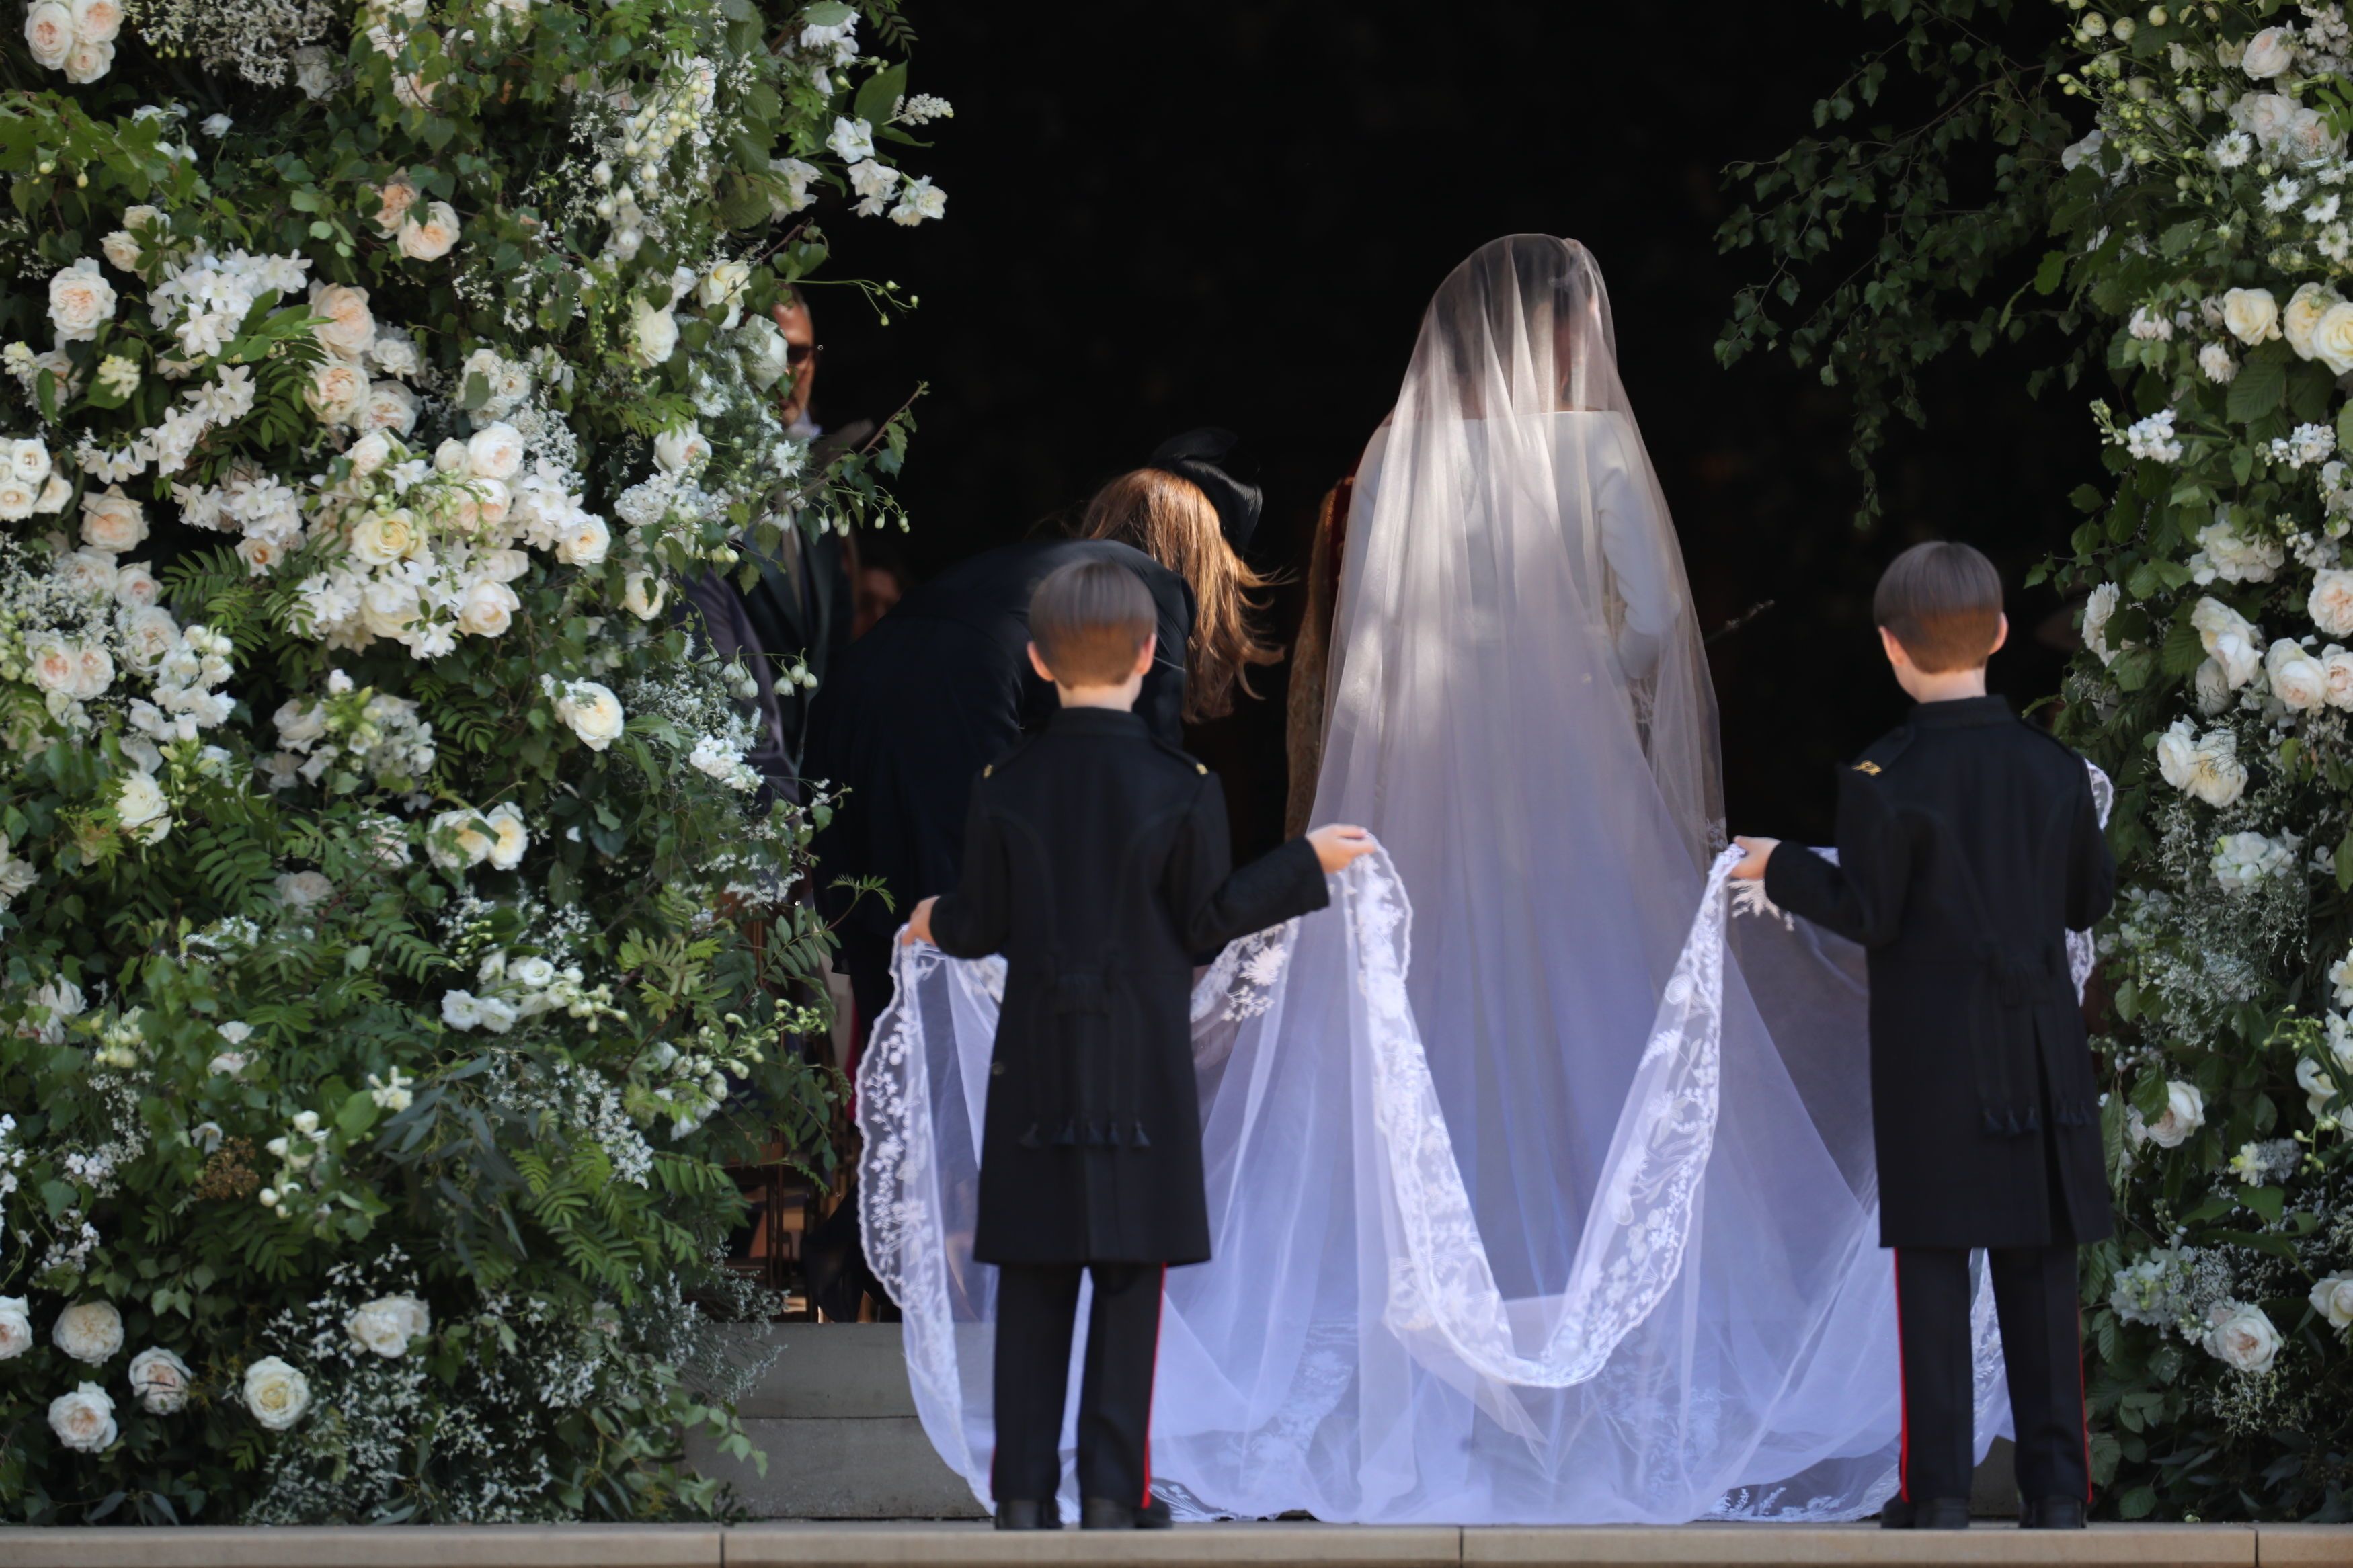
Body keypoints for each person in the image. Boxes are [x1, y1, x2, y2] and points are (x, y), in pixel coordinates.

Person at [867, 237, 1966, 1525]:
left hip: (1422, 781)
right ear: (1567, 334)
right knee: (1604, 1035)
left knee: (1412, 1038)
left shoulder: (1396, 450)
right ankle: (1598, 1335)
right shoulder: (1596, 447)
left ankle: (1396, 1342)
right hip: (1569, 788)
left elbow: (1374, 637)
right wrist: (1590, 685)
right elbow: (1658, 631)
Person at [902, 559, 1373, 1530]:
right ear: (1152, 653)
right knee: (1127, 1285)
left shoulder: (1005, 781)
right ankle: (1115, 1490)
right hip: (1140, 1075)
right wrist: (1305, 864)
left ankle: (1025, 1493)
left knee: (1032, 1282)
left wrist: (929, 921)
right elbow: (1207, 923)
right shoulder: (1185, 784)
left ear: (1035, 661)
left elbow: (981, 919)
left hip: (1033, 1069)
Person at [1730, 541, 2115, 1532]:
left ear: (1891, 649)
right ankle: (2059, 1494)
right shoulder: (2058, 766)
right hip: (2040, 1052)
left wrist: (1778, 866)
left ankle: (1938, 1492)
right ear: (1997, 635)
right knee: (2043, 1267)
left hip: (1935, 1056)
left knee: (1935, 1272)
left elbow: (1869, 912)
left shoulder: (1881, 774)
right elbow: (2085, 903)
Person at [807, 431, 1279, 1034]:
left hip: (846, 708)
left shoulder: (1034, 575)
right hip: (946, 724)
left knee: (899, 976)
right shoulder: (1153, 589)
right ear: (1207, 556)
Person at [678, 290, 860, 799]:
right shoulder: (699, 481)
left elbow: (835, 647)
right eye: (768, 353)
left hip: (805, 790)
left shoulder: (818, 483)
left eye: (799, 354)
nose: (786, 371)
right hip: (722, 782)